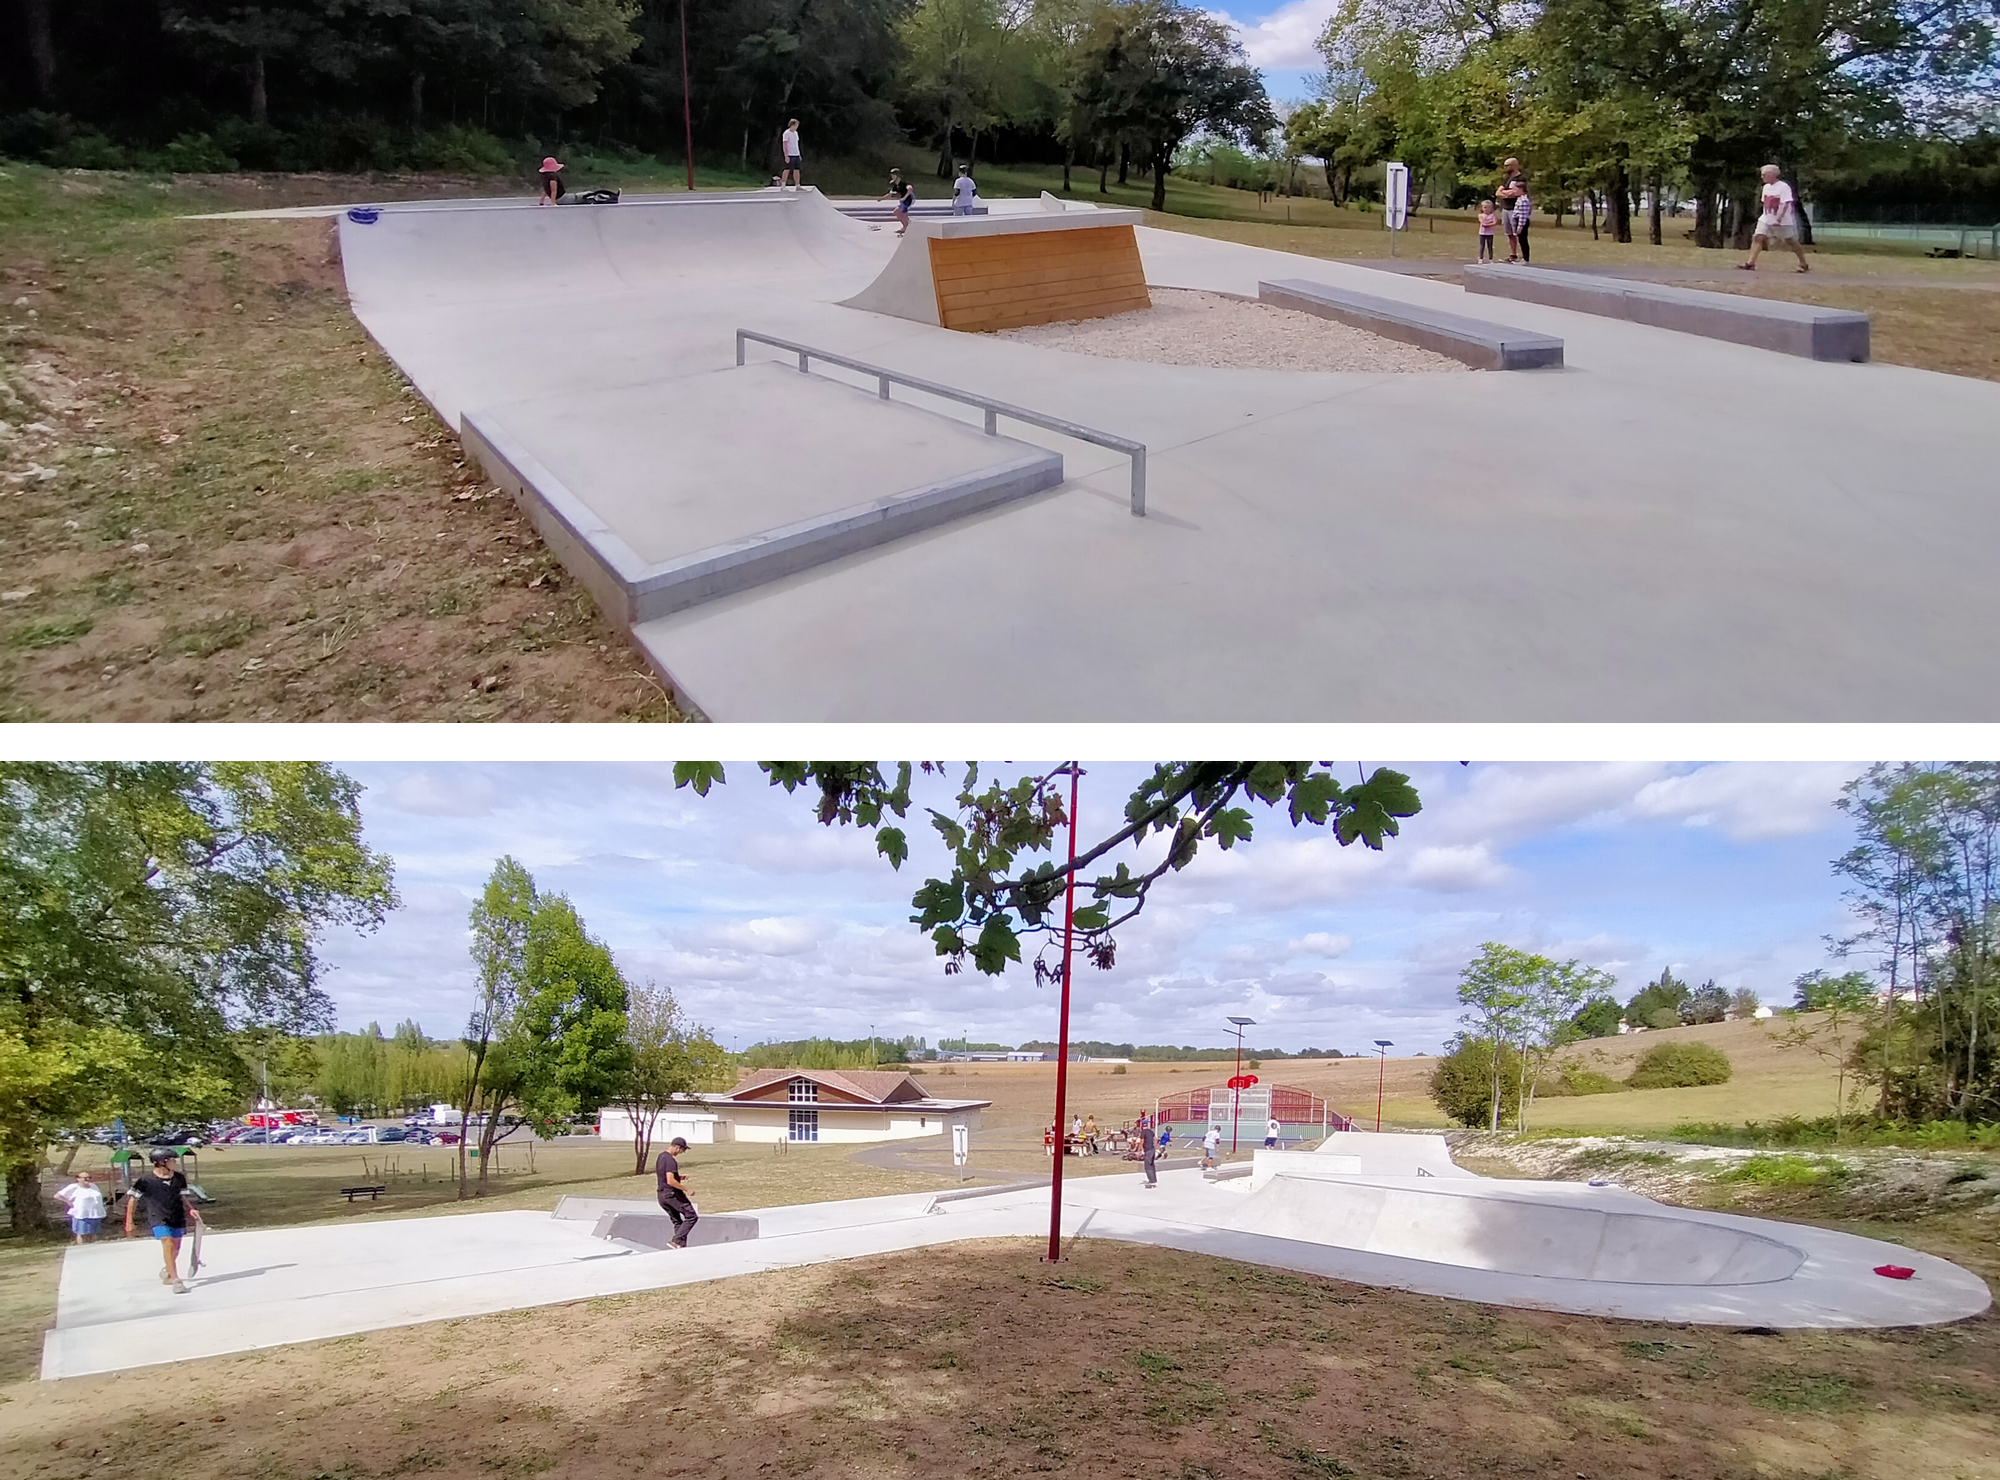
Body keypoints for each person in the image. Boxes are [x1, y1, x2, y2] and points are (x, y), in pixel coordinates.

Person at [124, 1149, 197, 1292]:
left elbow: (183, 1197)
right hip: (157, 1217)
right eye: (171, 1160)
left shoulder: (179, 1178)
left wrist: (191, 1209)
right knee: (168, 1243)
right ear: (161, 1162)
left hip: (177, 1215)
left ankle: (168, 1269)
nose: (175, 1162)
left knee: (175, 1248)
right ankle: (175, 1279)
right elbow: (132, 1200)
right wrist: (129, 1221)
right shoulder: (145, 1181)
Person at [1740, 164, 1810, 273]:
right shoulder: (1766, 187)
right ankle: (1750, 263)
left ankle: (1803, 263)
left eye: (1764, 175)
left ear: (1772, 175)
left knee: (1791, 241)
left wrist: (1779, 217)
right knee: (1758, 237)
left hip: (1782, 221)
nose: (1762, 177)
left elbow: (1786, 203)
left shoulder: (1783, 187)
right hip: (1766, 218)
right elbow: (1765, 204)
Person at [654, 1136, 698, 1249]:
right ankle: (676, 1240)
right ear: (677, 1148)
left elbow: (664, 1176)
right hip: (672, 1194)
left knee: (677, 1221)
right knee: (691, 1216)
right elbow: (670, 1180)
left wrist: (679, 1177)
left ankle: (680, 1245)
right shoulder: (671, 1160)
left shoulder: (661, 1157)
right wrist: (686, 1189)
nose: (681, 1153)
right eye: (682, 1150)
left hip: (661, 1195)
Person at [1497, 159, 1532, 263]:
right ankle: (1513, 255)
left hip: (1516, 209)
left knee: (1519, 233)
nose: (1505, 168)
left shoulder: (1521, 178)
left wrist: (1507, 193)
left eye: (1507, 165)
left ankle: (1524, 257)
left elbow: (1516, 192)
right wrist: (1506, 194)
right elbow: (1498, 192)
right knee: (1509, 233)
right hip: (1506, 208)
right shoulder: (1507, 178)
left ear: (1514, 165)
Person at [57, 1171, 106, 1244]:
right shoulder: (74, 1187)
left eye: (89, 1178)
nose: (87, 1180)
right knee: (82, 1233)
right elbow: (58, 1196)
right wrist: (68, 1202)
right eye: (85, 1178)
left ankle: (93, 1248)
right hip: (81, 1214)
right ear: (78, 1179)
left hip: (94, 1214)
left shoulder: (93, 1186)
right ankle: (81, 1247)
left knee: (93, 1233)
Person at [878, 170, 915, 236]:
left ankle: (906, 227)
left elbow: (910, 189)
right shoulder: (896, 185)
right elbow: (890, 194)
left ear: (897, 176)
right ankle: (907, 226)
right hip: (904, 200)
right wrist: (882, 198)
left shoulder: (903, 182)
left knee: (899, 212)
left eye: (893, 175)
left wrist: (904, 198)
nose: (892, 177)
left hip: (909, 199)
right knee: (897, 212)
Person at [780, 120, 803, 190]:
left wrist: (799, 154)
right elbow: (785, 145)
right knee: (787, 169)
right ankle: (783, 185)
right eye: (795, 126)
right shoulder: (786, 133)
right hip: (790, 154)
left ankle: (797, 185)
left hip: (796, 153)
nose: (796, 127)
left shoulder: (796, 133)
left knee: (797, 170)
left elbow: (796, 144)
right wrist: (786, 155)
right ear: (792, 125)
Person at [1137, 1111, 1157, 1188]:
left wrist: (1140, 1150)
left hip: (1147, 1150)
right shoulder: (1151, 1131)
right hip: (1152, 1149)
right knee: (1152, 1165)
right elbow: (1155, 1139)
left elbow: (1142, 1141)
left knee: (1147, 1166)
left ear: (1142, 1125)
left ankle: (1151, 1181)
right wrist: (1154, 1146)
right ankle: (1154, 1179)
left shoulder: (1143, 1132)